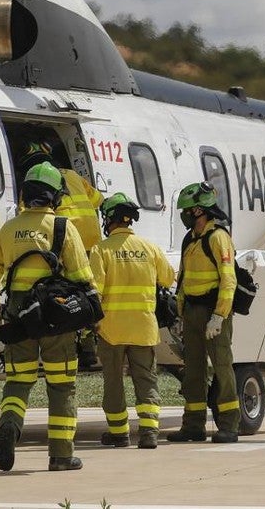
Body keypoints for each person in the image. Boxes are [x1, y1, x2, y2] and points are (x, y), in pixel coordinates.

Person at [0, 161, 94, 472]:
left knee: (18, 380)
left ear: (26, 196)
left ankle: (10, 426)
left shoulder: (6, 230)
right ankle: (61, 455)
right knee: (61, 384)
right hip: (57, 312)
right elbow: (83, 276)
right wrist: (88, 315)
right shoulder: (63, 227)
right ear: (55, 197)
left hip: (18, 315)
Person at [89, 192, 175, 450]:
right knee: (146, 380)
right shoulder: (150, 248)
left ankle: (119, 433)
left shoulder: (100, 250)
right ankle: (149, 433)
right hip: (143, 328)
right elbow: (169, 279)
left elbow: (95, 290)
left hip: (111, 329)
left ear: (110, 220)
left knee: (113, 381)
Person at [19, 141, 104, 371]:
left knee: (63, 291)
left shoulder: (33, 185)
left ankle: (68, 341)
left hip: (66, 236)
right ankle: (89, 347)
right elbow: (98, 200)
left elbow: (26, 214)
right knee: (85, 289)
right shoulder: (72, 175)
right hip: (91, 237)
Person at [167, 181, 240, 444]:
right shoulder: (191, 239)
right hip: (192, 313)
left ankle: (230, 425)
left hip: (213, 314)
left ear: (198, 211)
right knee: (194, 371)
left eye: (187, 210)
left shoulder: (218, 238)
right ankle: (193, 427)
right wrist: (180, 314)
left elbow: (228, 280)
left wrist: (219, 316)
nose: (184, 215)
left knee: (222, 367)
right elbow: (184, 280)